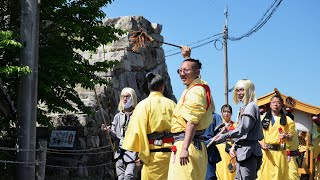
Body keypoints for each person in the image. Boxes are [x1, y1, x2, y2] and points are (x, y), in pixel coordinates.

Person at [167, 46, 215, 180]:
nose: (182, 73)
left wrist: (185, 148)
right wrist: (187, 57)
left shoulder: (196, 90)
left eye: (186, 70)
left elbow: (192, 121)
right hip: (187, 144)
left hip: (188, 144)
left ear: (197, 72)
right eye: (180, 70)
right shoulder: (196, 87)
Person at [122, 72, 176, 180]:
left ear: (148, 86)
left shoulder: (142, 105)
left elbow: (136, 132)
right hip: (172, 155)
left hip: (152, 156)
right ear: (162, 87)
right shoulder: (172, 104)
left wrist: (141, 154)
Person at [214, 79, 264, 180]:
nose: (239, 93)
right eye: (237, 90)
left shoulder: (250, 107)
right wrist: (234, 144)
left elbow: (243, 129)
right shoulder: (246, 107)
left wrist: (224, 136)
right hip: (243, 152)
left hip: (249, 152)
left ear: (249, 90)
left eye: (242, 90)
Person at [101, 87, 138, 180]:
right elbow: (115, 136)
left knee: (129, 177)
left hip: (133, 152)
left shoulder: (138, 115)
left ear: (133, 98)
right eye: (123, 97)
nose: (125, 99)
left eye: (128, 96)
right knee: (121, 177)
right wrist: (108, 131)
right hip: (119, 153)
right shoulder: (117, 116)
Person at [257, 94, 297, 180]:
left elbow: (291, 137)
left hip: (280, 153)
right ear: (270, 104)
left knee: (278, 177)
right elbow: (257, 135)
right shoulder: (262, 119)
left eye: (278, 103)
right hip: (265, 154)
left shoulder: (288, 120)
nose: (276, 104)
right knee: (263, 176)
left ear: (282, 105)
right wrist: (261, 143)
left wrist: (286, 136)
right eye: (274, 102)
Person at [215, 104, 237, 180]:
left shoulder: (235, 125)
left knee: (231, 171)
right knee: (220, 171)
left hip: (231, 150)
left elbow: (238, 138)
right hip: (219, 150)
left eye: (228, 112)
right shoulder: (217, 125)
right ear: (221, 112)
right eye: (224, 111)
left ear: (231, 113)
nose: (226, 113)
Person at [203, 113, 222, 180]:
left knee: (209, 176)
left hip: (209, 151)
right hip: (195, 149)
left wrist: (212, 140)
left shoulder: (215, 117)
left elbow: (220, 135)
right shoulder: (195, 115)